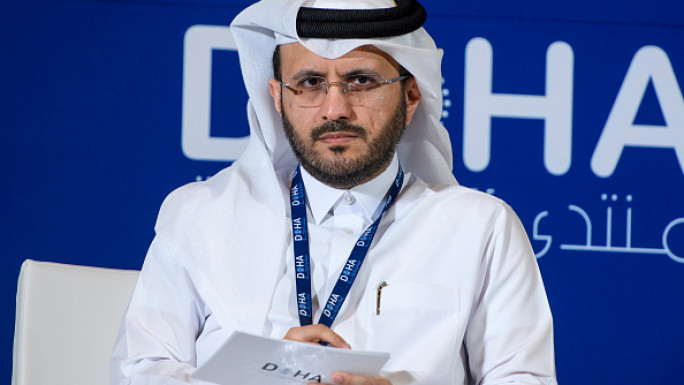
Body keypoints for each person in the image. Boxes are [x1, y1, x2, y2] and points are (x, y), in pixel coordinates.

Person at [111, 0, 557, 384]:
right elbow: (138, 372)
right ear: (277, 97)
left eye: (361, 80)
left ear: (410, 96)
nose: (334, 109)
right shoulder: (198, 218)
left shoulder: (481, 228)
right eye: (309, 83)